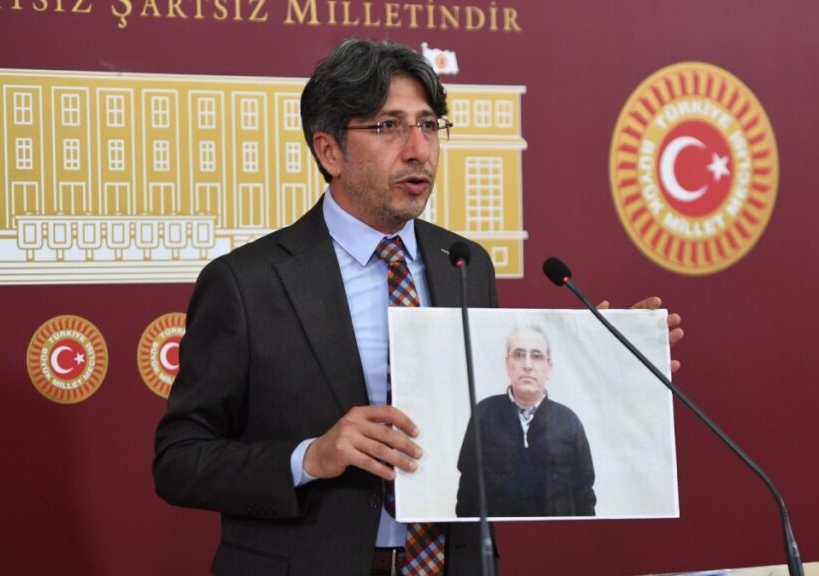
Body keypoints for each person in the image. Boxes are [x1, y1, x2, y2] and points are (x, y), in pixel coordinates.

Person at [154, 37, 683, 576]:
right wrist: (309, 457)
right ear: (329, 151)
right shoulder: (248, 282)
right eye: (389, 126)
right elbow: (179, 459)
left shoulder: (465, 264)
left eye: (428, 125)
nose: (419, 150)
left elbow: (489, 410)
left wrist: (600, 369)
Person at [456, 325, 596, 518]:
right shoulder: (484, 414)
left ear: (549, 367)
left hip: (556, 534)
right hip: (498, 535)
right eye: (519, 355)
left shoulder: (568, 421)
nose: (527, 365)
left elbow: (584, 495)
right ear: (507, 364)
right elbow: (467, 492)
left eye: (537, 356)